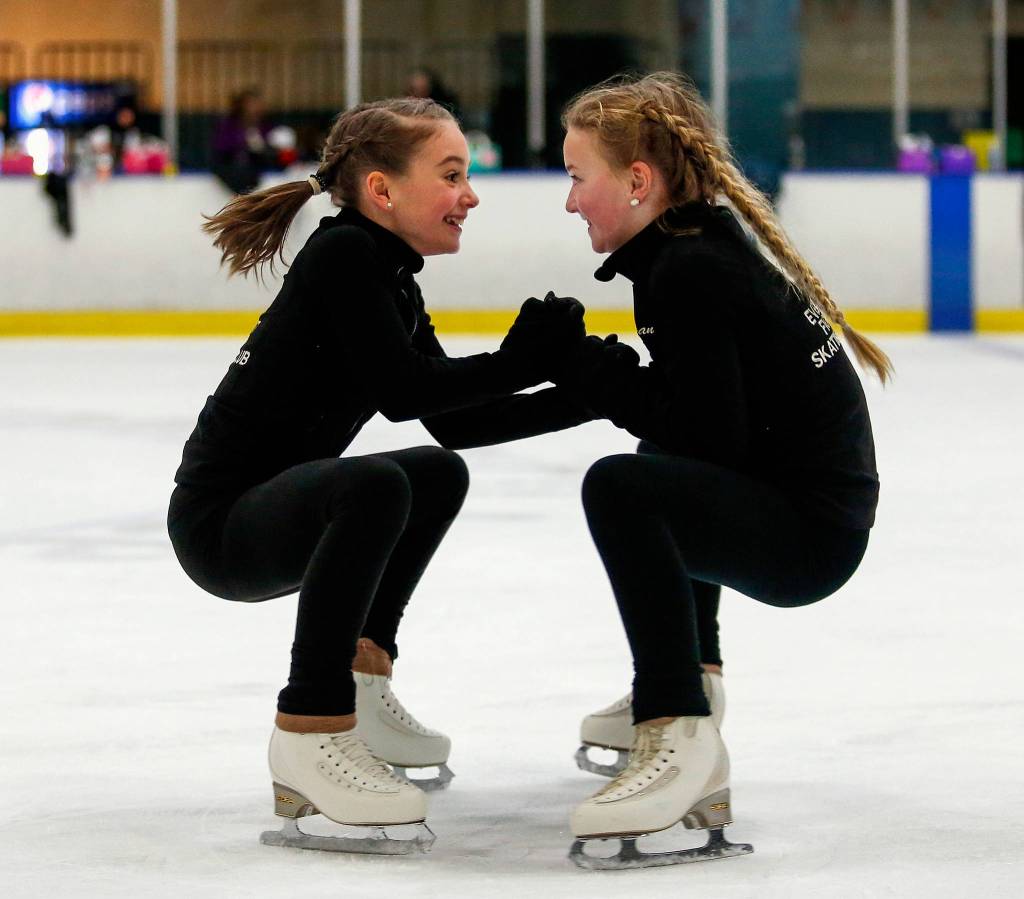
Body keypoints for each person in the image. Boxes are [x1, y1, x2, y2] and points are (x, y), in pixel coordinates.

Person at [169, 97, 592, 854]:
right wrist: (522, 362)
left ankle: (361, 680)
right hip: (222, 526)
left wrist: (588, 398)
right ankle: (311, 724)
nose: (471, 194)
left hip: (277, 512)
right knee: (375, 485)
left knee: (435, 472)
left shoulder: (389, 272)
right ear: (382, 190)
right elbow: (404, 393)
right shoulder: (344, 258)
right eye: (452, 174)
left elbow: (455, 422)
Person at [544, 72, 890, 869]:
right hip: (817, 511)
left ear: (638, 182)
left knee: (623, 487)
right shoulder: (695, 247)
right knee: (652, 468)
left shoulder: (687, 272)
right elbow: (701, 432)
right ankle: (694, 677)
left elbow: (709, 440)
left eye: (576, 177)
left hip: (810, 535)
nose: (569, 201)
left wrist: (600, 377)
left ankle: (680, 729)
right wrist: (598, 377)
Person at [211, 88, 278, 195]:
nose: (255, 108)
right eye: (251, 104)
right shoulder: (228, 124)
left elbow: (272, 147)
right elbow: (221, 148)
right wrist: (244, 143)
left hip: (256, 166)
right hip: (232, 166)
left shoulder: (266, 125)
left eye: (258, 104)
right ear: (242, 105)